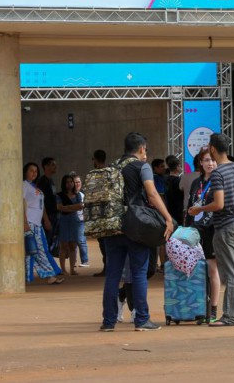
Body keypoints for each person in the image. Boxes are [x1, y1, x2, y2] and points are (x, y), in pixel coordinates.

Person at [100, 132, 174, 332]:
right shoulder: (142, 167)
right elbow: (151, 194)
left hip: (112, 226)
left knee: (113, 274)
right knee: (139, 272)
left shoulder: (111, 167)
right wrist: (167, 218)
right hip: (135, 225)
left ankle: (108, 321)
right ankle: (141, 319)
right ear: (141, 148)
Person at [191, 133, 234, 327]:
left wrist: (199, 208)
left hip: (225, 227)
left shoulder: (218, 173)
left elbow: (219, 204)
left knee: (230, 274)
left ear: (213, 150)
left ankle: (229, 316)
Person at [186, 147, 222, 321]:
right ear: (200, 163)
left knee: (212, 269)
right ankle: (199, 308)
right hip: (195, 231)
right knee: (197, 271)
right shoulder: (196, 183)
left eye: (213, 160)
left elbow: (219, 206)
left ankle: (213, 310)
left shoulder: (219, 181)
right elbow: (190, 207)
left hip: (212, 230)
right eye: (207, 160)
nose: (210, 164)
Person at [23, 162, 64, 285]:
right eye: (31, 171)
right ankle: (49, 274)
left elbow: (42, 206)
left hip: (37, 223)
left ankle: (30, 276)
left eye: (36, 171)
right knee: (38, 250)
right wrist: (25, 223)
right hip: (30, 222)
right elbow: (21, 204)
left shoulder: (35, 187)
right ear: (25, 172)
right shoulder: (23, 185)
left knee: (34, 250)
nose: (34, 173)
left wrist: (45, 219)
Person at [56, 174, 84, 275]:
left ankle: (72, 268)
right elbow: (59, 207)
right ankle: (63, 269)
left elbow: (80, 206)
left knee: (73, 245)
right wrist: (73, 207)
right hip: (64, 220)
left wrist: (67, 207)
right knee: (63, 245)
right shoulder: (59, 195)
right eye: (67, 182)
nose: (70, 184)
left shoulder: (78, 195)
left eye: (71, 182)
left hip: (74, 221)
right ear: (64, 183)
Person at [90, 150, 109, 277]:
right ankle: (109, 266)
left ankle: (107, 267)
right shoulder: (110, 173)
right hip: (110, 212)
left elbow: (91, 194)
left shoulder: (94, 175)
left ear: (95, 159)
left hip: (99, 212)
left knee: (103, 242)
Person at [36, 157, 58, 243]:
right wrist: (46, 219)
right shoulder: (42, 182)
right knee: (45, 242)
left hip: (53, 215)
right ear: (46, 166)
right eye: (53, 164)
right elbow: (40, 202)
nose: (55, 166)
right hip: (47, 217)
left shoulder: (51, 181)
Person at [73, 175, 89, 268]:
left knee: (81, 240)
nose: (77, 184)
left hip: (81, 220)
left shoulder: (83, 195)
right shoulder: (70, 195)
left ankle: (85, 260)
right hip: (71, 220)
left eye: (79, 182)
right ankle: (73, 261)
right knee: (72, 242)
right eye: (75, 182)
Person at [165, 155, 185, 223]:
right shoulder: (178, 180)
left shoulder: (166, 179)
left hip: (168, 208)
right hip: (178, 209)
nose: (181, 168)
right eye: (180, 166)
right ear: (177, 167)